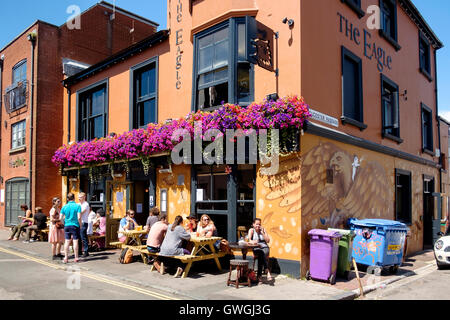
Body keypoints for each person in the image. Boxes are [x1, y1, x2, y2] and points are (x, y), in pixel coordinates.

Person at [60, 193, 82, 263]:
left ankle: (66, 257)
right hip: (75, 225)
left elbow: (60, 218)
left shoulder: (64, 207)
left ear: (67, 199)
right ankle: (76, 257)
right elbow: (79, 217)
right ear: (74, 198)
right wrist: (80, 225)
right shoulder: (78, 206)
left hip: (67, 225)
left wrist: (64, 223)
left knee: (67, 241)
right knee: (75, 241)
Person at [78, 192, 91, 258]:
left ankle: (86, 251)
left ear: (84, 197)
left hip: (84, 222)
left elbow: (81, 212)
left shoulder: (86, 204)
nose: (79, 198)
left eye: (80, 197)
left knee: (83, 237)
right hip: (79, 222)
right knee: (79, 237)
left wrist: (77, 213)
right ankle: (79, 251)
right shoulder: (78, 204)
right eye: (78, 197)